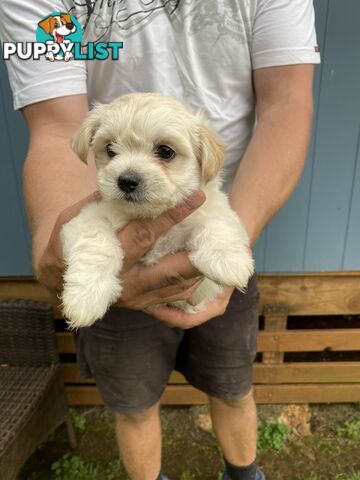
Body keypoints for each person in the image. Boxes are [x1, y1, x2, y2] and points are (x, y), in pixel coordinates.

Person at [0, 1, 320, 479]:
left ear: (203, 158)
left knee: (234, 386)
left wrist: (232, 242)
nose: (128, 172)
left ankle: (245, 472)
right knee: (132, 404)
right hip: (119, 303)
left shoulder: (208, 186)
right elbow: (57, 127)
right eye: (111, 151)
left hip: (227, 261)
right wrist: (81, 268)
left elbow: (287, 101)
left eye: (164, 152)